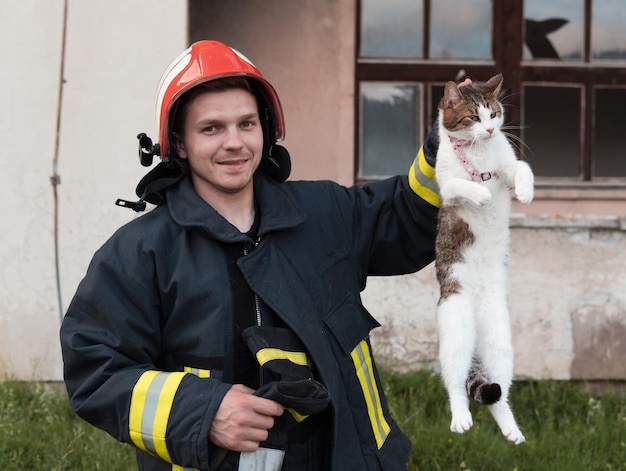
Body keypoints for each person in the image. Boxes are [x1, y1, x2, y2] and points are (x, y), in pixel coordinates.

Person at [60, 40, 444, 471]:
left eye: (246, 124)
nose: (234, 143)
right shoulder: (139, 253)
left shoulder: (325, 212)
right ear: (179, 144)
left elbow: (407, 216)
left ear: (265, 129)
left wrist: (446, 149)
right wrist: (204, 413)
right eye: (211, 129)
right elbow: (96, 371)